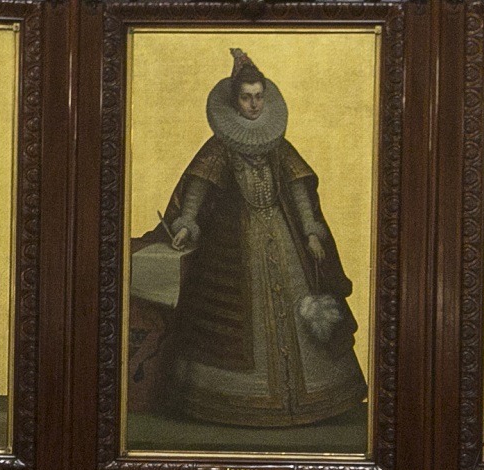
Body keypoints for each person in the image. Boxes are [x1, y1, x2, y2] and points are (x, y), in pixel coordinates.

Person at [155, 49, 367, 429]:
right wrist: (187, 223)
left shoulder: (278, 146)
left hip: (286, 244)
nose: (253, 104)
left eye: (258, 96)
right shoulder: (219, 146)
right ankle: (236, 401)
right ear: (234, 100)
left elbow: (300, 191)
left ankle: (314, 398)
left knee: (307, 311)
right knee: (233, 321)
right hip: (235, 247)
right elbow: (198, 189)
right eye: (246, 97)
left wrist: (311, 231)